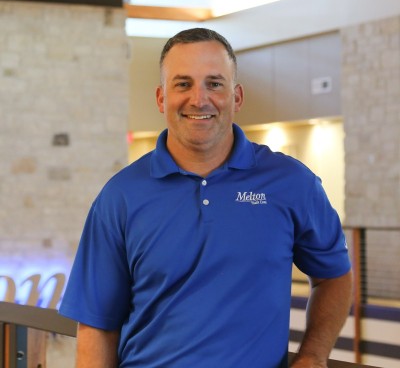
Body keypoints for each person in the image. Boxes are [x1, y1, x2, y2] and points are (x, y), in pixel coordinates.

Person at [59, 28, 353, 368]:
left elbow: (334, 276)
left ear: (236, 97)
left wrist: (313, 356)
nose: (199, 99)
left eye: (214, 84)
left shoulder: (291, 183)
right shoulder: (120, 196)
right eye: (183, 84)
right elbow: (96, 325)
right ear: (161, 98)